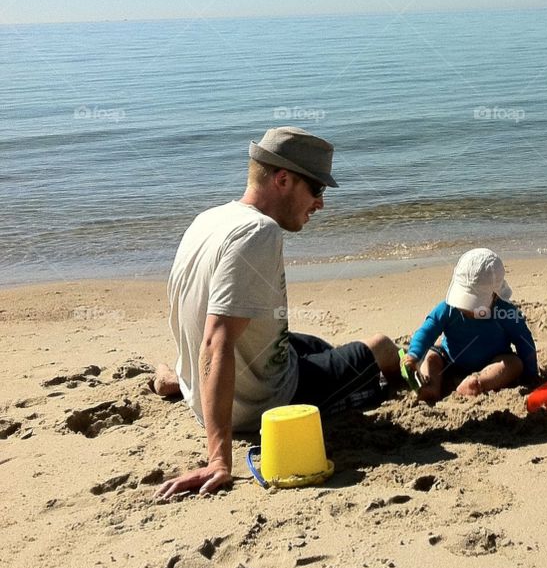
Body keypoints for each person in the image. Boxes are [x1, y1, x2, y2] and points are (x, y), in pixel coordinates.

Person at [154, 127, 399, 500]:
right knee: (380, 349)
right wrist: (218, 460)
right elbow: (217, 340)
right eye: (316, 189)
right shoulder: (259, 232)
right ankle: (396, 386)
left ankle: (177, 378)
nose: (320, 203)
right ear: (283, 179)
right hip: (261, 404)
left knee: (315, 345)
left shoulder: (210, 218)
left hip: (204, 391)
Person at [402, 248, 538, 401]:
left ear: (495, 295)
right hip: (449, 360)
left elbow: (524, 340)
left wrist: (531, 375)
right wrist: (414, 354)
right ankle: (431, 387)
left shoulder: (505, 312)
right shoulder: (448, 308)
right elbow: (427, 330)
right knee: (431, 358)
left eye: (474, 304)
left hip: (492, 362)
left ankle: (477, 383)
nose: (466, 308)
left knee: (514, 364)